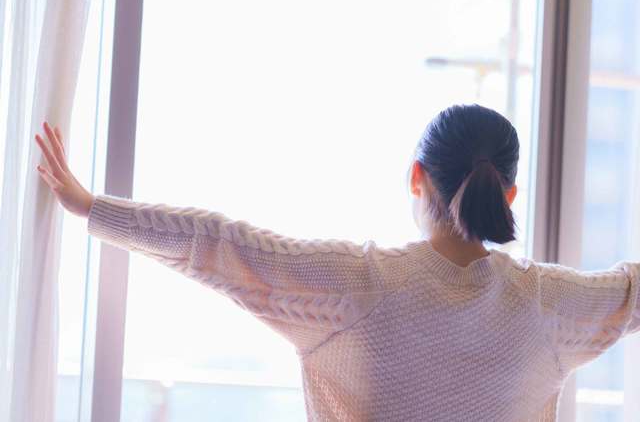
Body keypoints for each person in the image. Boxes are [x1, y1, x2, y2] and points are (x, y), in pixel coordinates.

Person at [35, 104, 639, 421]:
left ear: (416, 177)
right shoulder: (548, 306)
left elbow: (217, 244)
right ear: (509, 194)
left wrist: (91, 206)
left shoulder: (356, 286)